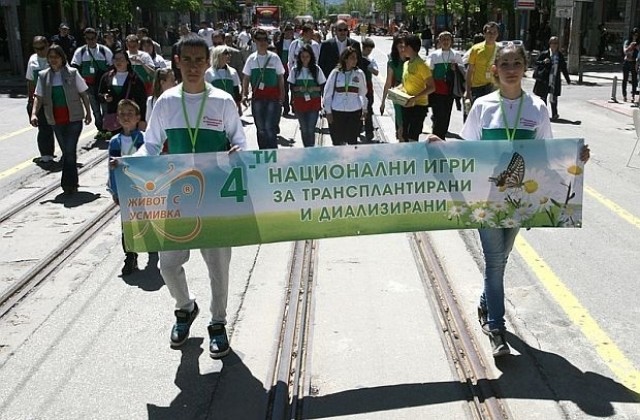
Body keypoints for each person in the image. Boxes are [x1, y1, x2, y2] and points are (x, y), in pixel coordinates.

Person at [428, 42, 590, 357]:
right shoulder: (483, 106)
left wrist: (577, 157)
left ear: (524, 67)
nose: (511, 69)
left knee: (501, 260)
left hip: (520, 199)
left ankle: (486, 303)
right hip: (485, 196)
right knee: (494, 260)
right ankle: (497, 328)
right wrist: (443, 144)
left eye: (517, 63)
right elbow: (467, 150)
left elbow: (548, 153)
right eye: (505, 64)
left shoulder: (538, 107)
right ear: (494, 70)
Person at [131, 35, 247, 359]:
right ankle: (185, 307)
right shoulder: (166, 102)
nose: (194, 66)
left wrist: (238, 152)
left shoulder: (223, 101)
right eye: (188, 60)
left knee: (218, 268)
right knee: (168, 265)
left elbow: (240, 141)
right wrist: (131, 163)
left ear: (208, 62)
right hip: (177, 197)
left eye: (200, 60)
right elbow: (150, 145)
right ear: (177, 62)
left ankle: (218, 323)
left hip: (215, 198)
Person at [30, 44, 92, 194]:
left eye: (56, 57)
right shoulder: (44, 76)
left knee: (70, 150)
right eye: (50, 57)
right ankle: (72, 181)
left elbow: (84, 93)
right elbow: (38, 97)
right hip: (56, 120)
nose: (53, 60)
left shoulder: (72, 73)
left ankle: (68, 184)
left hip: (74, 119)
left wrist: (89, 113)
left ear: (62, 58)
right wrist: (34, 113)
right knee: (66, 151)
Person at [107, 99, 145, 275]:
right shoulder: (115, 142)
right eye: (122, 114)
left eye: (130, 113)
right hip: (125, 190)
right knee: (127, 225)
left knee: (146, 219)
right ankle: (130, 256)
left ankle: (153, 247)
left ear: (138, 117)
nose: (126, 117)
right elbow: (112, 168)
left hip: (143, 189)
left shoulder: (143, 139)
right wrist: (114, 190)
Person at [241, 29, 286, 149]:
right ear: (255, 41)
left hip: (273, 97)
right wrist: (244, 94)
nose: (262, 42)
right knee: (260, 128)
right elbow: (246, 78)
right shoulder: (251, 59)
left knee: (269, 127)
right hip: (257, 98)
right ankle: (262, 153)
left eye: (265, 39)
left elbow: (280, 78)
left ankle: (272, 153)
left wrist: (282, 94)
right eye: (259, 39)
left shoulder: (274, 58)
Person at [70, 27, 113, 139]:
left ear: (96, 38)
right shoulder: (81, 52)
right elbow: (74, 67)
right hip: (88, 85)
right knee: (95, 109)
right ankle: (100, 128)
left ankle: (107, 128)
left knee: (105, 107)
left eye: (93, 38)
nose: (91, 41)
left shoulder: (104, 50)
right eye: (88, 38)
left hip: (102, 85)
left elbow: (112, 66)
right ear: (85, 39)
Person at [323, 47, 367, 146]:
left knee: (352, 142)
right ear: (345, 59)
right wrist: (328, 112)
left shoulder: (359, 74)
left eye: (356, 58)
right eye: (352, 58)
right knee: (338, 142)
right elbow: (327, 94)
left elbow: (363, 93)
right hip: (337, 111)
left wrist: (364, 109)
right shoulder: (336, 73)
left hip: (354, 112)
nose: (355, 60)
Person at [98, 49, 148, 132]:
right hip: (114, 119)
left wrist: (142, 120)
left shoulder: (134, 78)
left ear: (127, 61)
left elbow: (142, 100)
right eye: (115, 59)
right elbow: (100, 94)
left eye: (121, 59)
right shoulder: (107, 77)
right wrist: (104, 97)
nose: (118, 62)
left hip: (131, 119)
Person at [288, 44, 326, 147]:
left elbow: (323, 86)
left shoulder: (316, 70)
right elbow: (291, 87)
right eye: (303, 57)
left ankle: (311, 149)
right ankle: (306, 148)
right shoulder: (295, 70)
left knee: (310, 128)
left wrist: (313, 88)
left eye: (307, 56)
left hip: (313, 102)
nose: (305, 59)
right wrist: (298, 89)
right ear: (299, 58)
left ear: (311, 57)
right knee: (304, 129)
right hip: (300, 103)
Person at [427, 31, 464, 139]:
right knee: (438, 114)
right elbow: (429, 70)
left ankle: (441, 134)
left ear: (451, 41)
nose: (445, 42)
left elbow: (462, 72)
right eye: (443, 39)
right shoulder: (434, 55)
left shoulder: (456, 54)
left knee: (447, 113)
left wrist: (455, 68)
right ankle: (436, 135)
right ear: (439, 41)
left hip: (450, 88)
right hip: (437, 88)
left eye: (448, 39)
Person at [398, 34, 435, 142]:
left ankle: (414, 157)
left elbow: (431, 87)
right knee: (403, 134)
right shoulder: (406, 64)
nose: (402, 49)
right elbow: (405, 84)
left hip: (418, 106)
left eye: (404, 46)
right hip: (406, 104)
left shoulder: (422, 65)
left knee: (412, 136)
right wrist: (397, 90)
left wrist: (415, 97)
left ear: (410, 48)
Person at [26, 36, 56, 166]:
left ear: (47, 45)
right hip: (40, 99)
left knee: (59, 127)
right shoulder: (33, 60)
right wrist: (31, 100)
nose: (39, 51)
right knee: (44, 127)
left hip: (56, 98)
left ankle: (67, 153)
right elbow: (30, 81)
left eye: (41, 48)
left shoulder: (55, 57)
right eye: (36, 48)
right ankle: (46, 154)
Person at [533, 36, 571, 121]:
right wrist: (543, 62)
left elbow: (563, 68)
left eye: (556, 43)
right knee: (543, 97)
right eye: (552, 43)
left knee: (554, 98)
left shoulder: (559, 56)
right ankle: (543, 114)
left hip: (554, 79)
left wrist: (567, 79)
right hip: (545, 79)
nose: (554, 45)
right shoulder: (545, 54)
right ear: (549, 44)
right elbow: (536, 63)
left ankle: (554, 114)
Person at [466, 22, 499, 105]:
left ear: (497, 34)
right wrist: (468, 91)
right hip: (477, 87)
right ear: (484, 34)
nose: (492, 35)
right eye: (489, 32)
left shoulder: (500, 49)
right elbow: (469, 71)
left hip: (494, 87)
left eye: (494, 32)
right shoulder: (476, 49)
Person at [380, 34, 406, 141]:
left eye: (405, 46)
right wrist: (383, 102)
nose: (403, 48)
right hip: (398, 92)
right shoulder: (392, 62)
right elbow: (388, 82)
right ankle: (401, 138)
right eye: (400, 46)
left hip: (412, 92)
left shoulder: (413, 60)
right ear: (396, 47)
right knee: (400, 118)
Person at [205, 45, 242, 115]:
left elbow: (236, 91)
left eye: (229, 53)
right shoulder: (209, 73)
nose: (229, 55)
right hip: (215, 108)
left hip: (230, 107)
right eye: (226, 53)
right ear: (218, 55)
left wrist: (239, 108)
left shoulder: (233, 71)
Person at [361, 37, 378, 142]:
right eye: (367, 50)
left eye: (370, 50)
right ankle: (357, 129)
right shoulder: (356, 57)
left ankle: (369, 132)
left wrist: (368, 67)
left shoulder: (370, 60)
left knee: (369, 110)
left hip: (368, 87)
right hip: (358, 87)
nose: (369, 52)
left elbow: (376, 72)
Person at [276, 24, 295, 116]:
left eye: (291, 31)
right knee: (284, 88)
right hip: (282, 68)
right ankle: (286, 107)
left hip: (293, 68)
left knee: (294, 88)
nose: (290, 33)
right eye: (288, 31)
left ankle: (294, 105)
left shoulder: (296, 43)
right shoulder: (279, 44)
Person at [621, 29, 639, 103]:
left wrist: (637, 47)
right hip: (627, 62)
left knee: (634, 80)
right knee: (625, 79)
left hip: (633, 62)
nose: (635, 36)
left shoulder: (638, 43)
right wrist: (630, 46)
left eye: (637, 35)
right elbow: (625, 51)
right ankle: (624, 95)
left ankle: (633, 96)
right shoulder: (627, 42)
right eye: (634, 34)